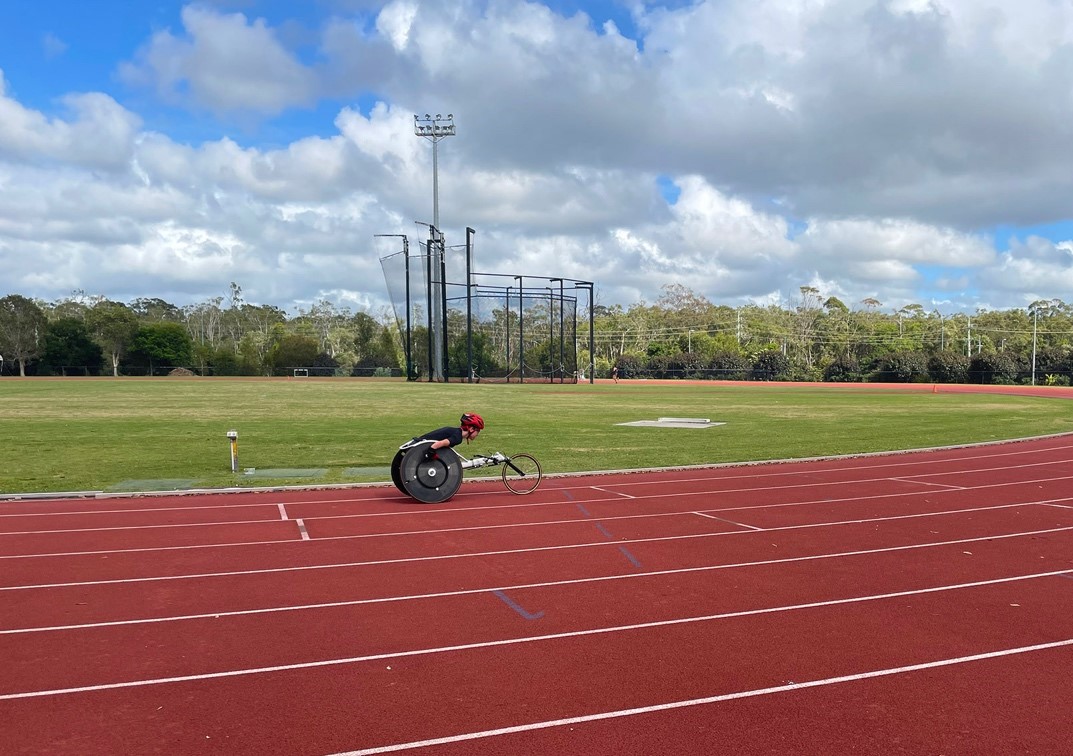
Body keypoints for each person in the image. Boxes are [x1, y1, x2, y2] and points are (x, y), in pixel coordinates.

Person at [413, 413, 484, 454]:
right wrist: (431, 453)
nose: (477, 434)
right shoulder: (457, 438)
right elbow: (438, 444)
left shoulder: (454, 431)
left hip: (416, 443)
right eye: (478, 431)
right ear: (471, 429)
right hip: (418, 448)